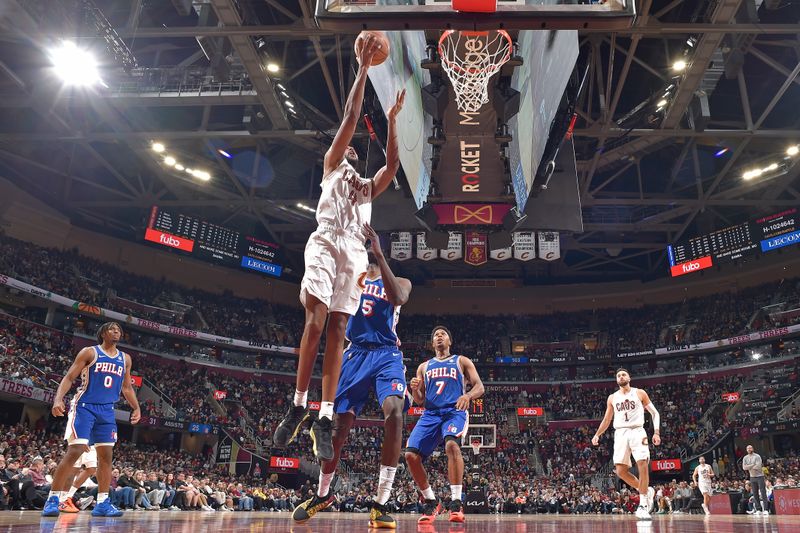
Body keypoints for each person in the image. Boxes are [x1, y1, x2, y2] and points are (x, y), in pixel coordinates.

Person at [273, 32, 406, 463]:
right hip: (326, 240)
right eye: (345, 142)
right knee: (315, 320)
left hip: (354, 251)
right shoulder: (332, 166)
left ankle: (324, 417)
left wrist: (393, 120)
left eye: (351, 145)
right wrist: (364, 69)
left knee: (338, 331)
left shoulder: (365, 189)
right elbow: (350, 113)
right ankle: (298, 405)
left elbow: (392, 166)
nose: (349, 144)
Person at [292, 225, 412, 529]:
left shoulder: (398, 280)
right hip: (354, 354)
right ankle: (322, 495)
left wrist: (381, 255)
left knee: (395, 413)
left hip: (386, 353)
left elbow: (398, 298)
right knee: (337, 432)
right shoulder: (347, 281)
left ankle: (380, 503)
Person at [41, 322, 141, 517]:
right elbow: (70, 377)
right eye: (112, 329)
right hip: (84, 407)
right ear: (103, 333)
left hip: (107, 410)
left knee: (106, 456)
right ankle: (53, 499)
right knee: (75, 451)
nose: (117, 332)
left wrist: (136, 407)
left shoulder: (125, 359)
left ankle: (103, 502)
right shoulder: (89, 352)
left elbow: (127, 387)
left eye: (119, 330)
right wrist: (58, 399)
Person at [405, 326, 485, 524]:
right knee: (410, 455)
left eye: (443, 334)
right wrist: (415, 390)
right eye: (435, 335)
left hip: (454, 411)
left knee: (451, 445)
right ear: (432, 344)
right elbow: (420, 400)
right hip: (430, 414)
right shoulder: (424, 366)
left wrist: (467, 395)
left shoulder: (461, 361)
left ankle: (456, 503)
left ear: (450, 341)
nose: (439, 336)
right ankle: (432, 501)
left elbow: (480, 386)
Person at [591, 368, 661, 520]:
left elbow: (655, 413)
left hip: (637, 431)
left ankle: (642, 505)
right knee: (620, 472)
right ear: (616, 380)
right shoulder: (612, 398)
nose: (621, 376)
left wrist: (656, 432)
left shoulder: (640, 393)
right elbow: (607, 419)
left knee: (642, 463)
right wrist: (597, 434)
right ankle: (646, 491)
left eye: (623, 374)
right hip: (621, 433)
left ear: (629, 377)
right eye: (618, 375)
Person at [57, 446, 98, 513]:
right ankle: (62, 500)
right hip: (81, 437)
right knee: (74, 467)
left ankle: (68, 497)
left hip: (92, 440)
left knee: (92, 468)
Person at [742, 444, 769, 515]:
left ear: (753, 449)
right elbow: (744, 468)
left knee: (763, 493)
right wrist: (752, 465)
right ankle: (758, 509)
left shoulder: (757, 456)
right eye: (748, 448)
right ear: (746, 450)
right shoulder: (745, 458)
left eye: (750, 448)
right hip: (752, 477)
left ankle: (766, 509)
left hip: (760, 476)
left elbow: (758, 466)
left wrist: (749, 466)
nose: (749, 449)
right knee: (755, 493)